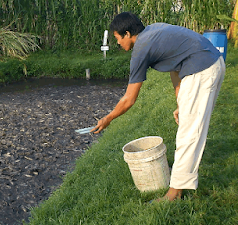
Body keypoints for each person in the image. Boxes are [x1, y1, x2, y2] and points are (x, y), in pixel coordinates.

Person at [91, 12, 225, 201]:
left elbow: (129, 99)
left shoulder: (141, 49)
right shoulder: (154, 30)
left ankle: (174, 193)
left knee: (189, 134)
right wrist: (181, 102)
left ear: (127, 34)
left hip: (201, 70)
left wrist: (108, 118)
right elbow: (175, 65)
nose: (118, 43)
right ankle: (180, 178)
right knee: (190, 128)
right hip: (211, 62)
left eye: (118, 38)